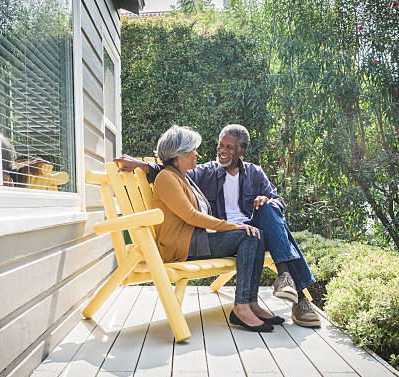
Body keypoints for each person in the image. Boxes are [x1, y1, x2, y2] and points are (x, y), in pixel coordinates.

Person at [115, 124, 321, 328]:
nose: (221, 151)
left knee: (270, 211)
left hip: (242, 228)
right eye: (220, 145)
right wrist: (141, 165)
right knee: (256, 234)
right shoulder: (201, 173)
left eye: (229, 147)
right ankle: (289, 297)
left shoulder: (254, 173)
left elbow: (278, 201)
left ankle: (262, 294)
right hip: (213, 235)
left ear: (242, 150)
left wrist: (267, 202)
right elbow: (172, 178)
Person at [151, 125, 284, 332]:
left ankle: (250, 302)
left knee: (256, 234)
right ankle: (241, 306)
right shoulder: (168, 178)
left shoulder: (183, 177)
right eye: (193, 150)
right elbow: (191, 216)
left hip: (195, 241)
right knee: (248, 236)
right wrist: (232, 227)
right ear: (178, 154)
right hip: (182, 248)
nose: (197, 154)